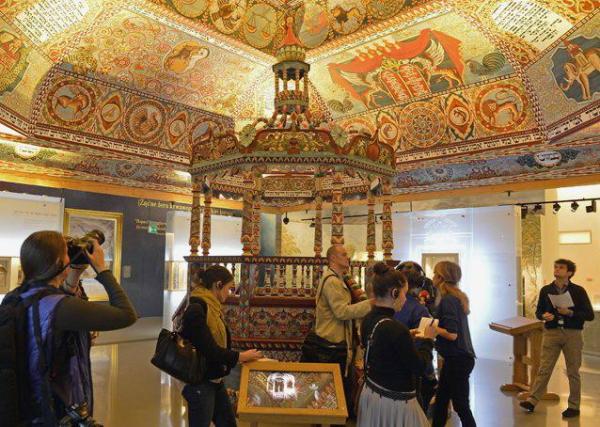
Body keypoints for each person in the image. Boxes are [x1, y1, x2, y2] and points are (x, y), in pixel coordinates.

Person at [4, 230, 137, 425]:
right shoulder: (57, 307)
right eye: (67, 252)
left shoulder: (19, 296)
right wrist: (102, 270)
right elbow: (126, 315)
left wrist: (74, 271)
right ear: (59, 263)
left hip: (29, 405)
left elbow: (59, 302)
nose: (70, 255)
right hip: (55, 409)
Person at [179, 265, 263, 427]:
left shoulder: (212, 308)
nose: (229, 293)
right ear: (218, 285)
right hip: (201, 382)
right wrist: (241, 356)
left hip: (215, 380)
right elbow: (210, 350)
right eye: (228, 288)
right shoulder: (197, 310)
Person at [358, 262, 436, 427]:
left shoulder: (368, 319)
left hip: (373, 393)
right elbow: (419, 366)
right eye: (404, 294)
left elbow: (383, 348)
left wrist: (406, 337)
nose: (405, 299)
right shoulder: (396, 329)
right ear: (394, 293)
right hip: (394, 401)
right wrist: (428, 340)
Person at [303, 244, 373, 418]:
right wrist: (370, 304)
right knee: (332, 390)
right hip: (331, 346)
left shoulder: (338, 279)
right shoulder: (333, 281)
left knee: (332, 389)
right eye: (343, 254)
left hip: (335, 344)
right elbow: (342, 312)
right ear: (333, 258)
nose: (347, 257)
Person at [520, 259, 594, 418]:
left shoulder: (578, 291)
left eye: (561, 267)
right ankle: (532, 400)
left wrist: (570, 313)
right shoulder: (546, 290)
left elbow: (589, 315)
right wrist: (543, 316)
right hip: (552, 332)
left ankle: (574, 406)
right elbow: (539, 311)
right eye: (555, 267)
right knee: (544, 368)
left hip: (572, 334)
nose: (557, 269)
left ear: (569, 272)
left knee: (573, 371)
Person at [431, 261, 476, 427]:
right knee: (442, 400)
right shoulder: (456, 297)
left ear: (441, 278)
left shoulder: (448, 300)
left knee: (460, 404)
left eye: (435, 274)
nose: (432, 277)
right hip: (458, 358)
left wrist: (433, 328)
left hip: (458, 359)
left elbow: (452, 334)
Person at [393, 267, 437, 413]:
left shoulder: (390, 304)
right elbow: (422, 343)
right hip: (413, 370)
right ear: (418, 286)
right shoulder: (419, 309)